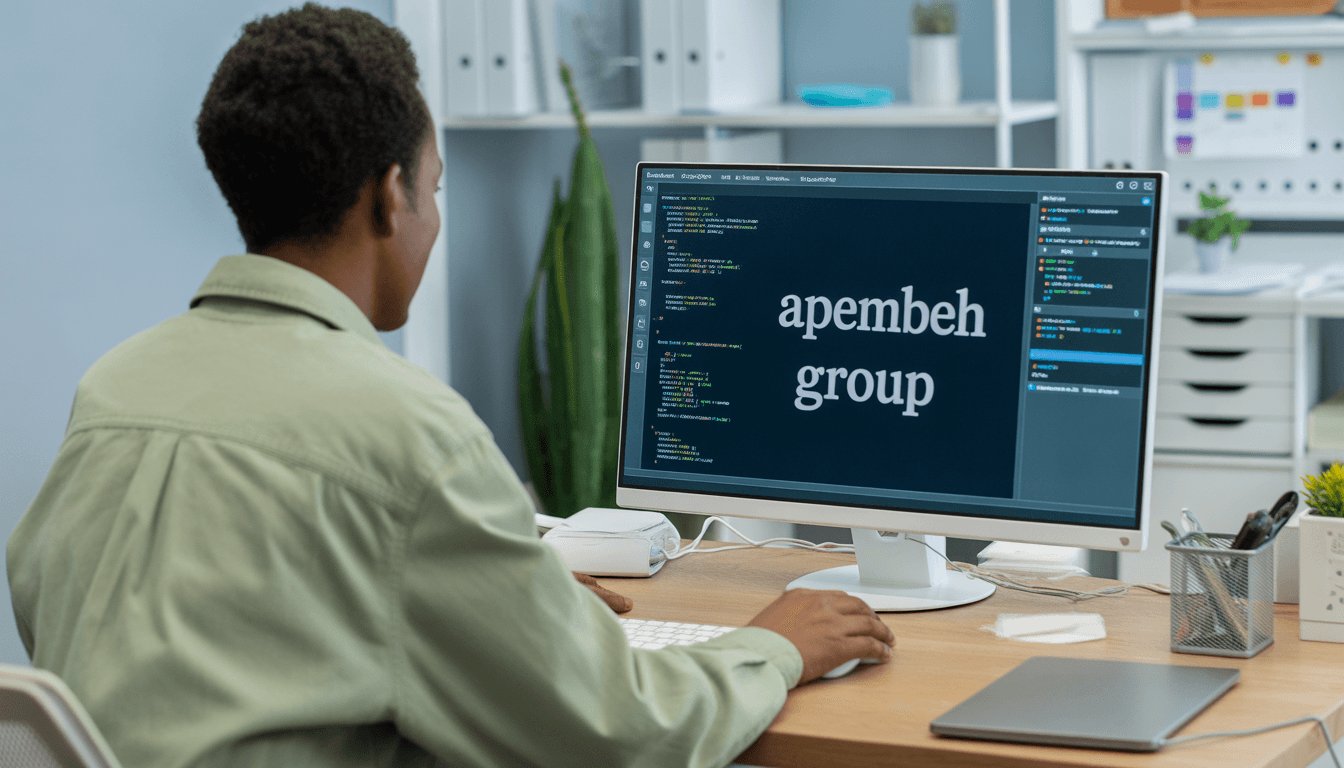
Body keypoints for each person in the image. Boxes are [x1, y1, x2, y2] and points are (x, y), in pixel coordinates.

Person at [7, 5, 894, 767]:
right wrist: (773, 646)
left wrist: (504, 607)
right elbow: (620, 733)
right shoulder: (407, 429)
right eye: (435, 187)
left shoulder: (116, 388)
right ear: (390, 197)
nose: (433, 218)